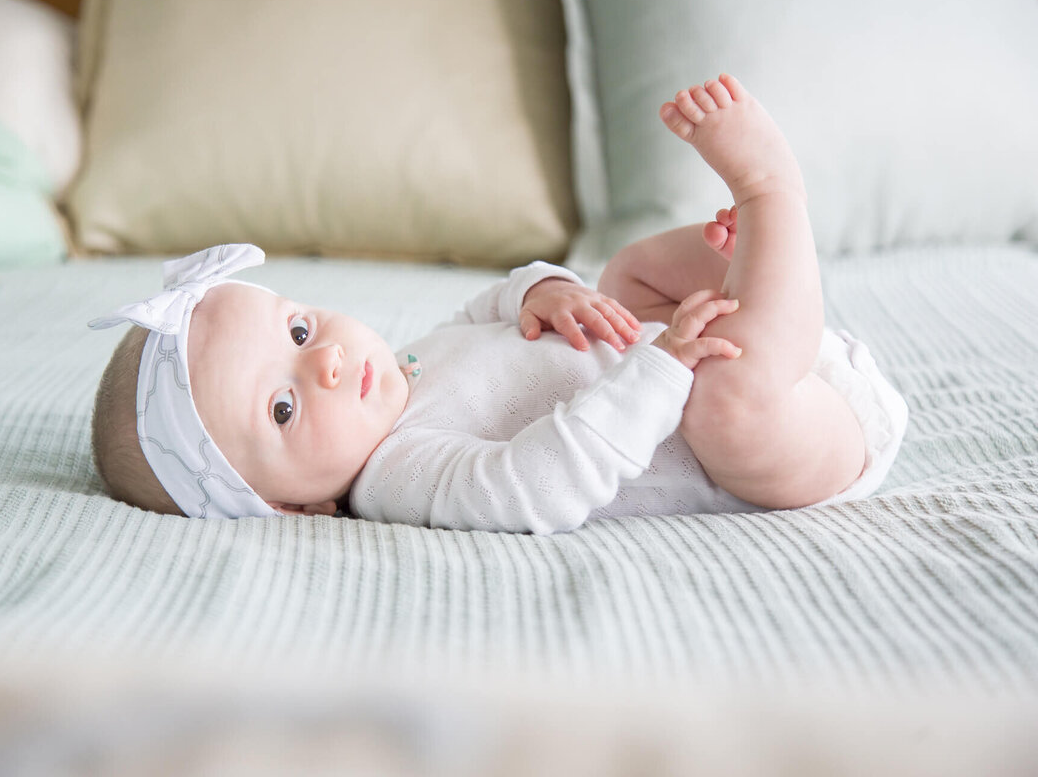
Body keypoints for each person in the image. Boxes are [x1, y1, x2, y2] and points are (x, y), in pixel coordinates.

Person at [89, 75, 908, 534]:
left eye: (299, 330)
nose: (326, 360)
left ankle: (759, 275)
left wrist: (545, 293)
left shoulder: (408, 367)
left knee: (617, 281)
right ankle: (774, 195)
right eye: (281, 406)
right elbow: (531, 488)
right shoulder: (399, 478)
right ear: (289, 504)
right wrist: (656, 375)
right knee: (726, 407)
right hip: (785, 452)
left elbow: (493, 307)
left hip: (711, 347)